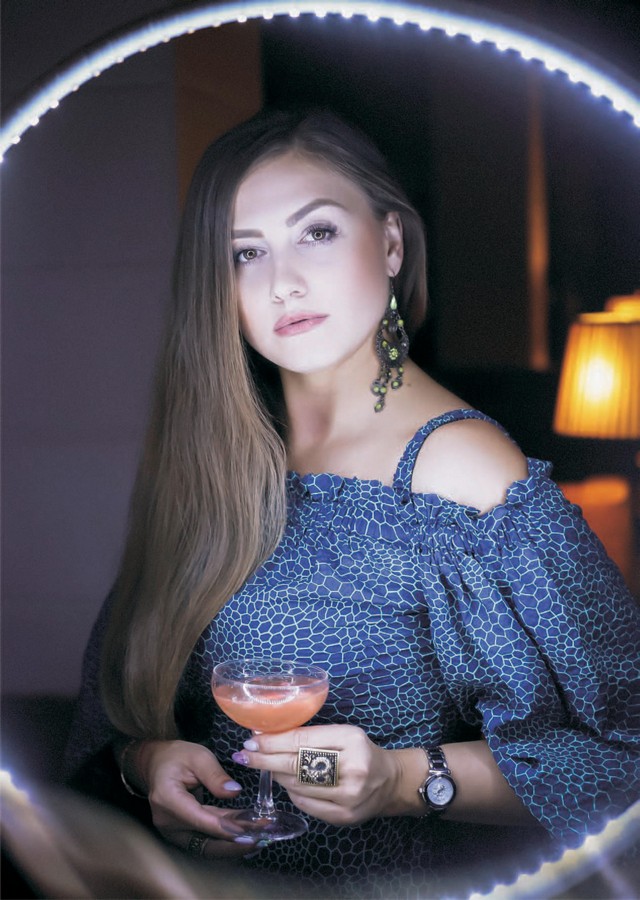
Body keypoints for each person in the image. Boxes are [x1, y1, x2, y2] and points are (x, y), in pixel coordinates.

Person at [65, 108, 640, 894]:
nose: (284, 282)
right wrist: (148, 763)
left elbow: (624, 754)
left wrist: (403, 781)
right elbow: (112, 706)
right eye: (244, 253)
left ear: (391, 243)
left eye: (318, 232)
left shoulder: (465, 473)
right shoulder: (217, 457)